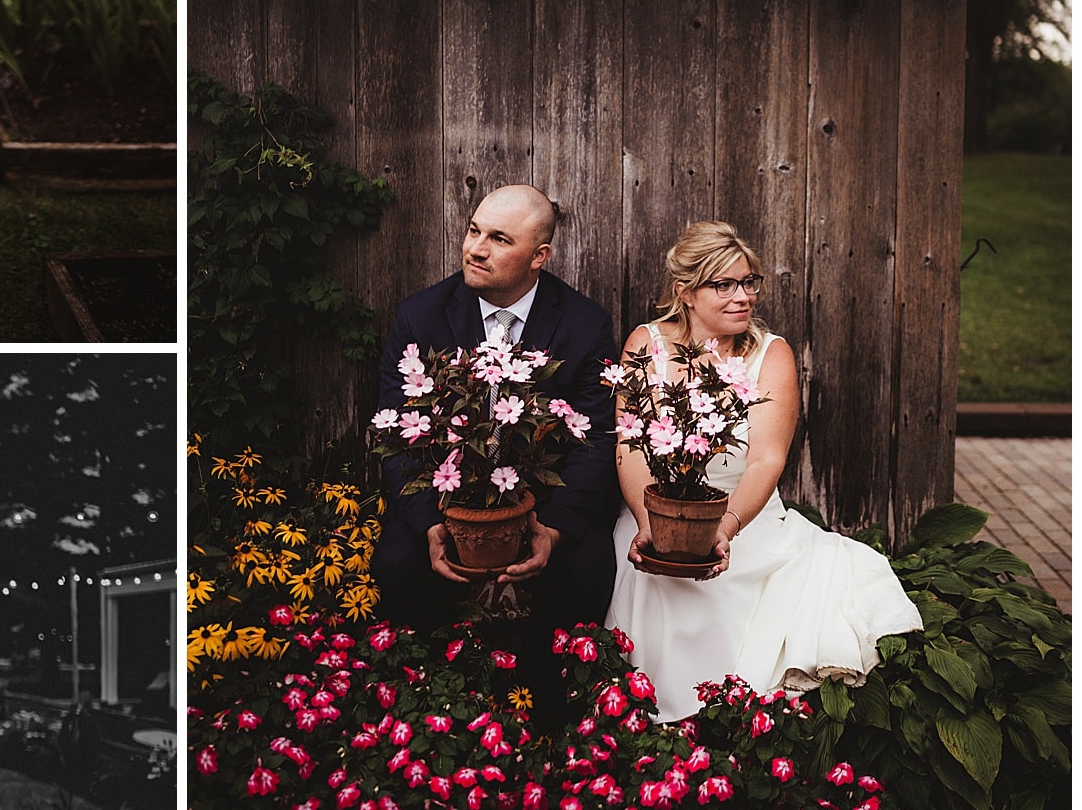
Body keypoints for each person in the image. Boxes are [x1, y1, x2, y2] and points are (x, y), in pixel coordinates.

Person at [606, 222, 923, 722]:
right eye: (724, 284)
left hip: (743, 517)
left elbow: (766, 459)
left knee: (730, 584)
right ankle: (652, 718)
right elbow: (630, 445)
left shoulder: (769, 354)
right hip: (656, 510)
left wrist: (723, 529)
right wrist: (653, 528)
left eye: (749, 282)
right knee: (649, 575)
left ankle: (735, 716)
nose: (744, 297)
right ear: (685, 292)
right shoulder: (647, 345)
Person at [373, 185, 620, 655]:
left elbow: (595, 441)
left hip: (543, 502)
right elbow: (399, 434)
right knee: (398, 566)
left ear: (539, 256)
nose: (476, 249)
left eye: (499, 239)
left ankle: (551, 690)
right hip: (445, 500)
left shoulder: (584, 324)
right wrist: (430, 525)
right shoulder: (420, 317)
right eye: (474, 231)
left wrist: (554, 531)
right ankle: (426, 683)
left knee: (586, 571)